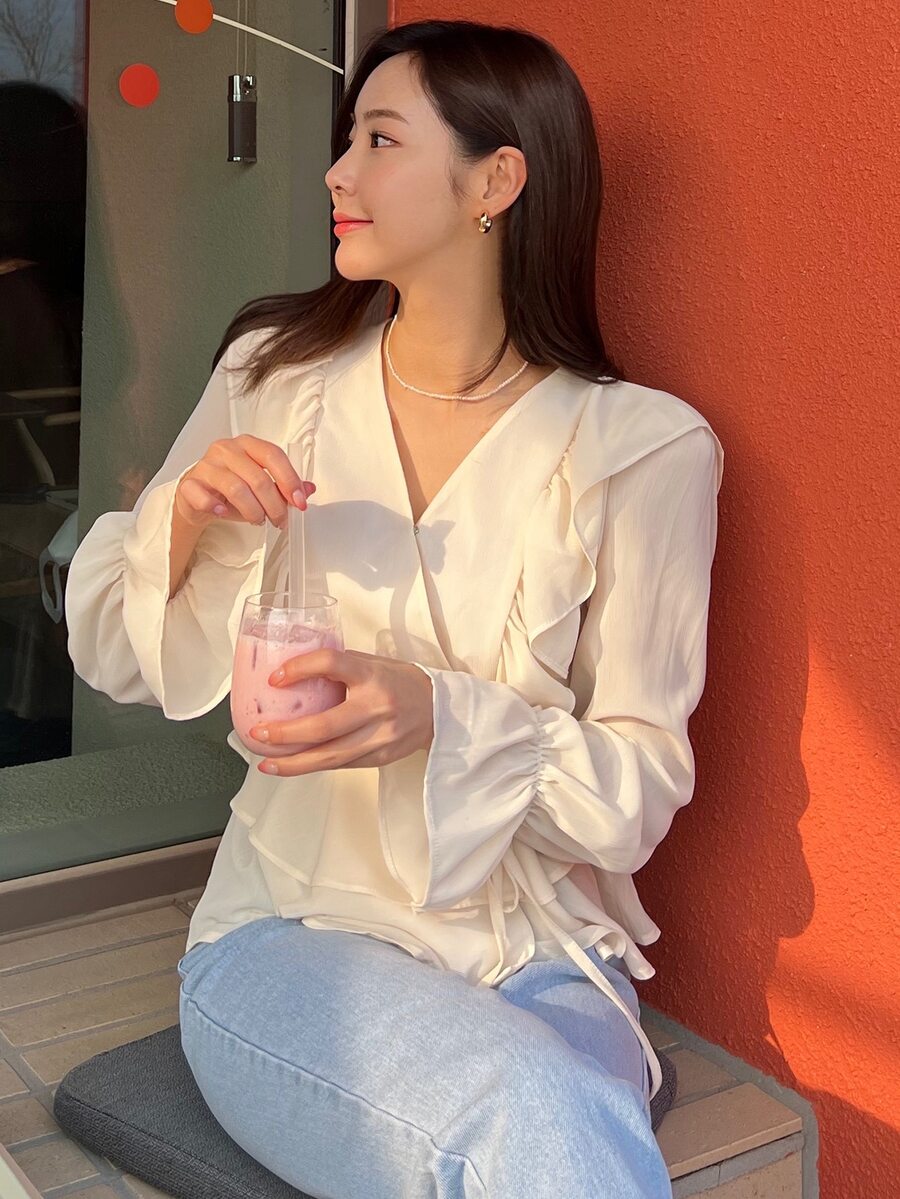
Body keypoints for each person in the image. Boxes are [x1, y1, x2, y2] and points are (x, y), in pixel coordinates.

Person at [65, 19, 724, 1199]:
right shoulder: (275, 377)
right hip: (291, 930)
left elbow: (635, 799)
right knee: (530, 1108)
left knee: (543, 1107)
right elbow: (116, 654)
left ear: (497, 180)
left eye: (379, 139)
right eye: (346, 140)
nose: (335, 171)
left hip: (533, 954)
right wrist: (184, 520)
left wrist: (442, 715)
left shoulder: (644, 449)